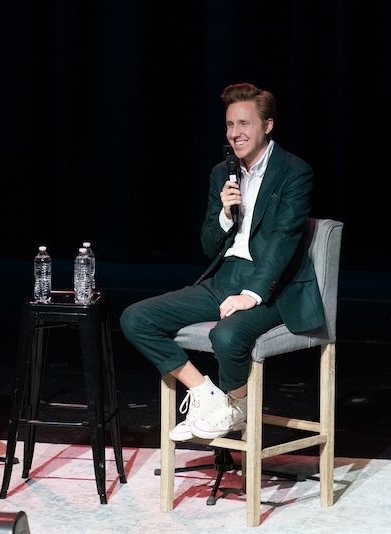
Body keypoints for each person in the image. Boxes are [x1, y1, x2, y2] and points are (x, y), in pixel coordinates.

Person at [120, 82, 325, 441]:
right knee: (136, 317)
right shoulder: (222, 173)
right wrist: (226, 217)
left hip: (275, 286)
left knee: (226, 336)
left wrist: (253, 294)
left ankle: (235, 407)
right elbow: (207, 245)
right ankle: (207, 395)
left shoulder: (294, 172)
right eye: (230, 125)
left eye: (244, 124)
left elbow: (284, 239)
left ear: (267, 125)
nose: (235, 134)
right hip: (223, 279)